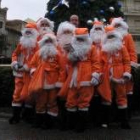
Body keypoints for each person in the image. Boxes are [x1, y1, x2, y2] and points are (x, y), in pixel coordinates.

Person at [58, 28, 100, 132]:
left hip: (87, 79)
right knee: (70, 101)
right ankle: (70, 124)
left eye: (82, 39)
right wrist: (72, 53)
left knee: (84, 102)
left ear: (86, 39)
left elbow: (96, 63)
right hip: (73, 79)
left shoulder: (92, 48)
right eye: (78, 39)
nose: (80, 41)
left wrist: (95, 75)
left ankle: (81, 125)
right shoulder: (72, 48)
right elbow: (68, 61)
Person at [28, 33, 65, 129]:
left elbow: (62, 69)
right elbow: (32, 65)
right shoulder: (38, 53)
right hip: (40, 82)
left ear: (53, 43)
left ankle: (49, 123)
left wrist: (60, 82)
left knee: (52, 102)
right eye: (46, 41)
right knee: (40, 101)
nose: (48, 43)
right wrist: (34, 72)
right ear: (43, 42)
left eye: (50, 41)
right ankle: (39, 121)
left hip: (53, 82)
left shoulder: (57, 54)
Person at [100, 25, 131, 129]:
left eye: (112, 36)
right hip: (106, 76)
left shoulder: (122, 48)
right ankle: (105, 121)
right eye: (109, 37)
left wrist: (126, 74)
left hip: (120, 75)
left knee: (121, 97)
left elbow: (126, 62)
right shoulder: (103, 49)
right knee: (106, 97)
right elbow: (100, 63)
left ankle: (124, 122)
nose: (111, 38)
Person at [9, 23, 39, 124]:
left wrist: (28, 67)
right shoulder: (21, 43)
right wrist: (15, 62)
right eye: (26, 31)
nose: (28, 33)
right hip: (19, 72)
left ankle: (27, 115)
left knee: (28, 95)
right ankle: (15, 116)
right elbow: (14, 54)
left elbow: (37, 59)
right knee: (17, 94)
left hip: (29, 74)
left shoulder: (37, 45)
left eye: (30, 31)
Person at [111, 17, 138, 117]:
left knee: (128, 91)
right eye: (115, 25)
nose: (117, 27)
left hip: (127, 67)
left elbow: (132, 52)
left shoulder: (128, 36)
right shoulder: (111, 37)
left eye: (119, 25)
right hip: (116, 68)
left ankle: (128, 113)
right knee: (117, 92)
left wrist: (132, 66)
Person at [56, 21, 75, 130]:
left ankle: (69, 122)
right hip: (60, 78)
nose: (67, 34)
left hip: (72, 78)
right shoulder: (57, 46)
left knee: (71, 100)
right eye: (65, 32)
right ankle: (61, 122)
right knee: (61, 100)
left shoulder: (75, 46)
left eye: (69, 32)